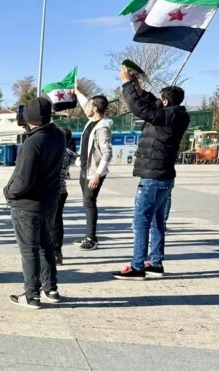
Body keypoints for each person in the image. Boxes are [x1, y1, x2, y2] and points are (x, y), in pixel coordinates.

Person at [113, 67, 190, 280]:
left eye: (160, 98)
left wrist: (126, 85)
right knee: (157, 221)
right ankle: (155, 262)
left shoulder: (168, 116)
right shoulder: (175, 113)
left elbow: (142, 110)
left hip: (154, 178)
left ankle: (137, 266)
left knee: (141, 221)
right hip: (163, 177)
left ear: (165, 102)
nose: (157, 100)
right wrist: (138, 87)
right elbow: (150, 103)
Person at [4, 97, 65, 309]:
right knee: (46, 246)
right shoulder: (58, 135)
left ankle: (32, 295)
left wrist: (8, 192)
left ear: (28, 117)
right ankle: (51, 288)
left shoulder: (33, 142)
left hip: (27, 205)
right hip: (49, 201)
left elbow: (24, 180)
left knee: (29, 250)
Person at [73, 89, 113, 251]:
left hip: (93, 173)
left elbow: (107, 153)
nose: (87, 107)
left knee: (89, 203)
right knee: (86, 203)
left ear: (95, 108)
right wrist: (77, 92)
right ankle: (88, 234)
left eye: (90, 105)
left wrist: (97, 175)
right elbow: (84, 105)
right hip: (84, 169)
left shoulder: (102, 127)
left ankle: (92, 238)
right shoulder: (92, 121)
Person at [52, 129, 78, 265]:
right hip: (62, 190)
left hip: (51, 190)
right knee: (57, 221)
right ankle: (57, 251)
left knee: (48, 221)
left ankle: (51, 250)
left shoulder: (54, 152)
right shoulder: (70, 154)